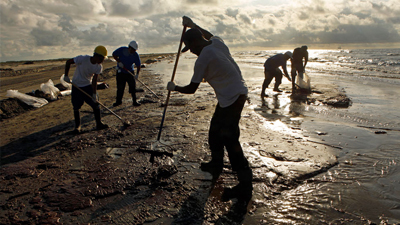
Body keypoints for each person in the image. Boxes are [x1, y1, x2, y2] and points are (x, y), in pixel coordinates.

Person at [167, 16, 253, 205]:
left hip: (234, 98)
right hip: (232, 96)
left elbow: (191, 89)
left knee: (230, 140)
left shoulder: (203, 59)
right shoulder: (217, 43)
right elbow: (210, 35)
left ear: (196, 42)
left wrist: (174, 88)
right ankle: (216, 164)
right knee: (215, 132)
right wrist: (193, 25)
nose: (193, 52)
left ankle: (245, 185)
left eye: (192, 48)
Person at [64, 45, 109, 133]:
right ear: (96, 56)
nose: (102, 61)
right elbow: (68, 62)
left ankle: (99, 123)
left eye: (103, 59)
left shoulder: (98, 67)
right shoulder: (82, 59)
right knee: (76, 107)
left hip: (88, 86)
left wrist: (94, 94)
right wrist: (66, 75)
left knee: (96, 104)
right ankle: (77, 127)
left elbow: (95, 80)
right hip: (77, 86)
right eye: (101, 59)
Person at [112, 40, 141, 106]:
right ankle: (118, 101)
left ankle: (134, 102)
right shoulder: (122, 50)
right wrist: (119, 62)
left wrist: (137, 74)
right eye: (133, 50)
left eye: (135, 50)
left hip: (130, 72)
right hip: (121, 72)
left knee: (132, 87)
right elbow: (114, 54)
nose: (134, 51)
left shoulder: (135, 55)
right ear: (129, 48)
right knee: (120, 88)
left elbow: (138, 65)